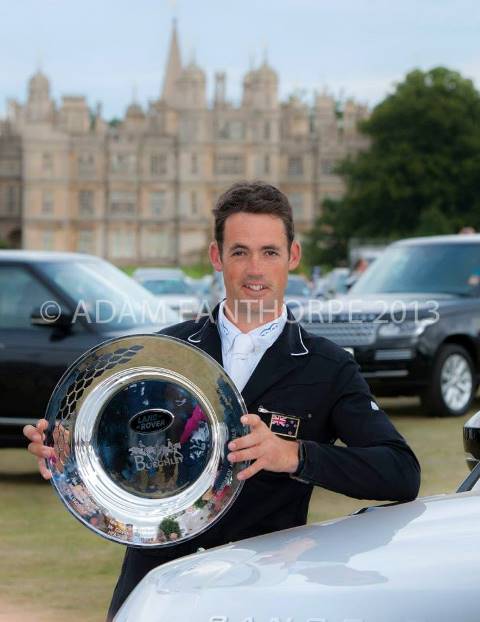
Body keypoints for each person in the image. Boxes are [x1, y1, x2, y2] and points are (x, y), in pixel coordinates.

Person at [24, 181, 421, 620]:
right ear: (217, 257)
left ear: (293, 257)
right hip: (158, 587)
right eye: (240, 252)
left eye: (269, 252)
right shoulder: (162, 354)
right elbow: (112, 450)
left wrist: (294, 455)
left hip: (263, 595)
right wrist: (66, 452)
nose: (255, 269)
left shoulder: (327, 366)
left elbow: (400, 474)